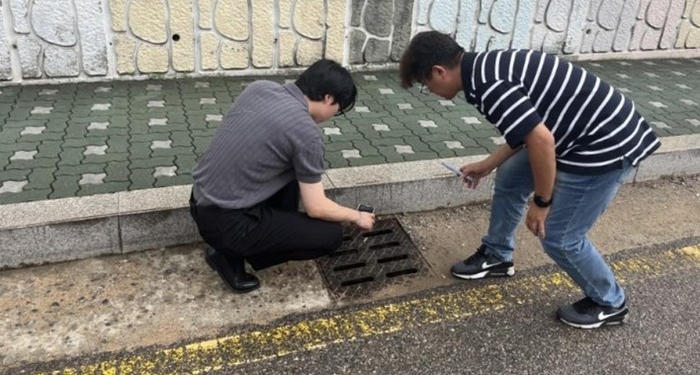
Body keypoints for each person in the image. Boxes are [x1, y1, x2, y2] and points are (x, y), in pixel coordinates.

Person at [399, 31, 660, 329]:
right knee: (510, 175)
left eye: (426, 85)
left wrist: (542, 201)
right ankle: (497, 255)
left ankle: (609, 303)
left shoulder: (489, 85)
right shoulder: (484, 69)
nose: (430, 91)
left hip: (604, 144)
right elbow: (528, 130)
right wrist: (488, 164)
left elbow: (541, 141)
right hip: (579, 132)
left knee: (560, 237)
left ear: (439, 72)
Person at [190, 59, 376, 293]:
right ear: (328, 98)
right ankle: (227, 255)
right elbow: (316, 207)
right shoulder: (307, 133)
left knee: (295, 171)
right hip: (229, 226)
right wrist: (357, 216)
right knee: (330, 235)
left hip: (199, 201)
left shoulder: (259, 88)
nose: (332, 115)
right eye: (337, 110)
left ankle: (244, 240)